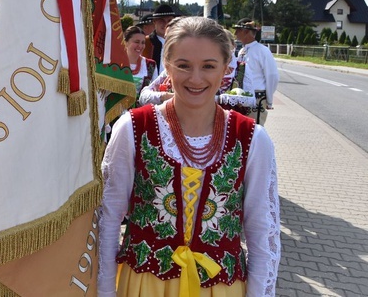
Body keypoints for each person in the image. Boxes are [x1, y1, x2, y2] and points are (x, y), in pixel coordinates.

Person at [99, 16, 280, 297]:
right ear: (167, 67)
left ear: (225, 69)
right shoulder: (134, 127)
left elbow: (262, 233)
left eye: (208, 66)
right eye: (183, 66)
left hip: (221, 288)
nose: (196, 78)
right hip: (144, 286)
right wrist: (104, 291)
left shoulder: (252, 139)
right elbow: (108, 218)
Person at [234, 18, 280, 124]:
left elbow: (272, 76)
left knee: (254, 130)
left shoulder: (263, 51)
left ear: (246, 32)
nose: (235, 33)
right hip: (241, 97)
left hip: (257, 98)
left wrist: (269, 100)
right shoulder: (242, 51)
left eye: (238, 30)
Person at [142, 3, 182, 73]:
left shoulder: (180, 43)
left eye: (169, 20)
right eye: (161, 21)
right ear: (154, 22)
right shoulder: (146, 43)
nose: (166, 24)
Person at [123, 25, 158, 104]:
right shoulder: (116, 63)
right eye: (136, 42)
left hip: (140, 112)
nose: (140, 46)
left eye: (143, 42)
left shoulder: (150, 65)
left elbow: (154, 90)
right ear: (125, 42)